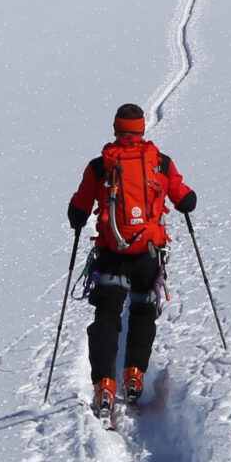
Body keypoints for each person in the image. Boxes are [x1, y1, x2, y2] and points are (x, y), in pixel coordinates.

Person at [66, 104, 196, 414]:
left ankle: (104, 386)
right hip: (148, 256)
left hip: (111, 254)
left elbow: (78, 211)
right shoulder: (160, 164)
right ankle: (134, 375)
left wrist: (79, 218)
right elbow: (186, 199)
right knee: (141, 311)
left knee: (107, 318)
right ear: (141, 129)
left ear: (115, 129)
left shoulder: (100, 167)